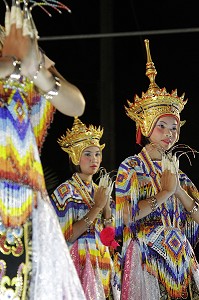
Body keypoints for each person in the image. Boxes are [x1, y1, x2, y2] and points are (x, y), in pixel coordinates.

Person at [0, 1, 87, 299]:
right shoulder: (11, 50)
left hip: (25, 203)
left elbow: (76, 104)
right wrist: (12, 63)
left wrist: (36, 71)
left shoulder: (19, 45)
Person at [114, 39, 199, 300]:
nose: (169, 134)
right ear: (146, 126)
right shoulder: (131, 166)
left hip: (181, 259)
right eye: (161, 126)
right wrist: (163, 194)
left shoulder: (178, 174)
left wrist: (179, 193)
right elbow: (125, 216)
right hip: (146, 258)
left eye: (174, 128)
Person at [50, 116, 120, 300]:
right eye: (87, 154)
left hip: (101, 262)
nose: (94, 159)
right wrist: (97, 207)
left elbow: (109, 238)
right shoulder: (64, 192)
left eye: (97, 153)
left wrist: (107, 212)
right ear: (75, 156)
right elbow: (66, 236)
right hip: (76, 264)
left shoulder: (101, 191)